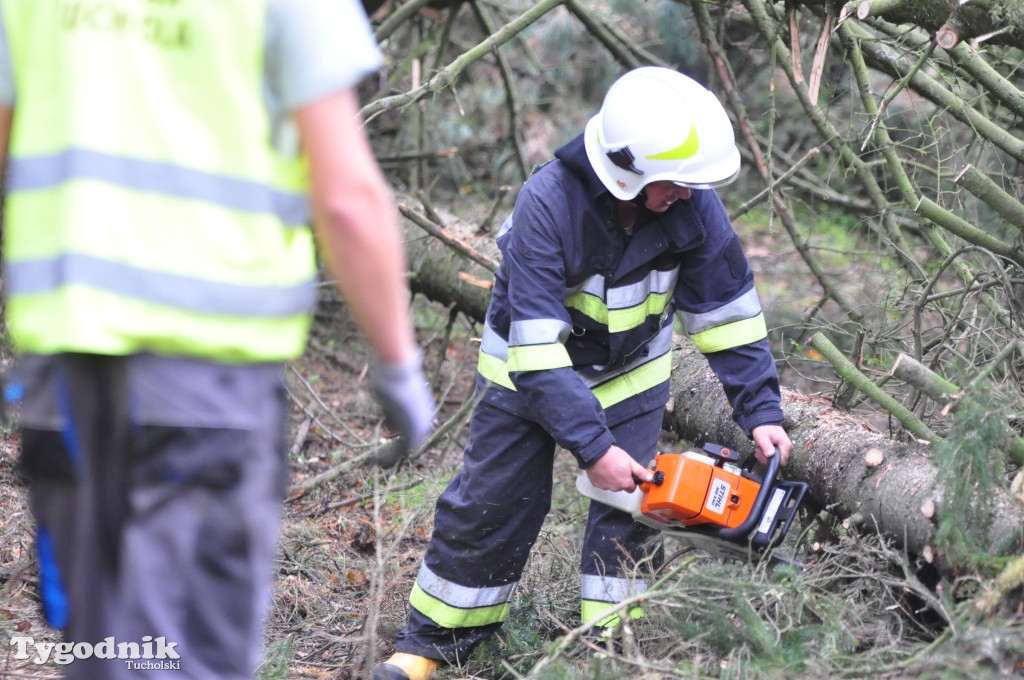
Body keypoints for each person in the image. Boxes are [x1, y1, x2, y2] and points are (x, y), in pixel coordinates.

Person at [0, 1, 434, 678]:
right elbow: (346, 196)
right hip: (205, 392)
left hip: (64, 387)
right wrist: (398, 364)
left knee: (108, 653)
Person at [373, 66, 793, 680]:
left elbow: (729, 315)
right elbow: (539, 354)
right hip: (529, 372)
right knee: (494, 503)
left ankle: (612, 650)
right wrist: (592, 447)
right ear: (626, 173)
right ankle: (432, 645)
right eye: (673, 182)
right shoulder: (548, 204)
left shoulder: (693, 208)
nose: (685, 193)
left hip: (631, 371)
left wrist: (760, 411)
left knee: (628, 514)